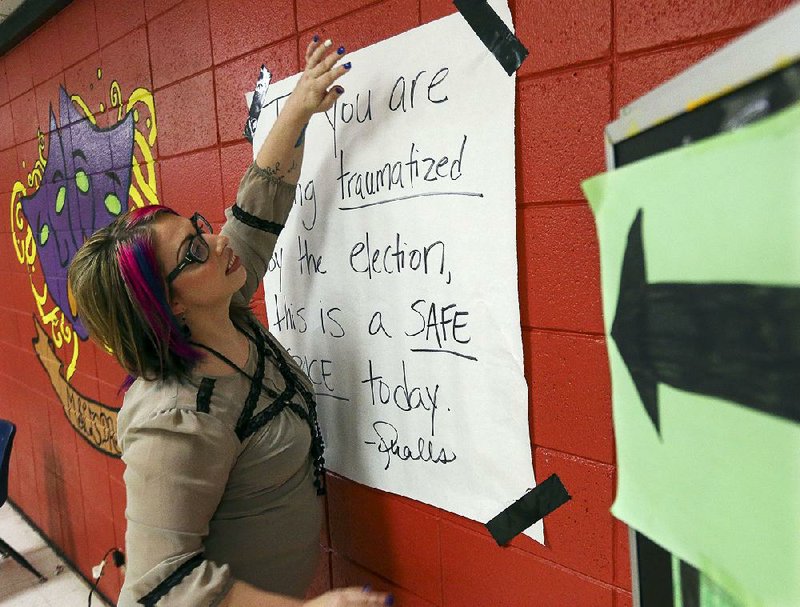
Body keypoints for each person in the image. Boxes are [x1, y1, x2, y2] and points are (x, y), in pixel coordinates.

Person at [68, 37, 391, 607]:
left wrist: (298, 106)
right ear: (165, 307)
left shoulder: (225, 307)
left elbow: (255, 210)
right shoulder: (176, 420)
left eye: (196, 231)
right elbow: (157, 586)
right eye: (193, 254)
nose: (216, 243)